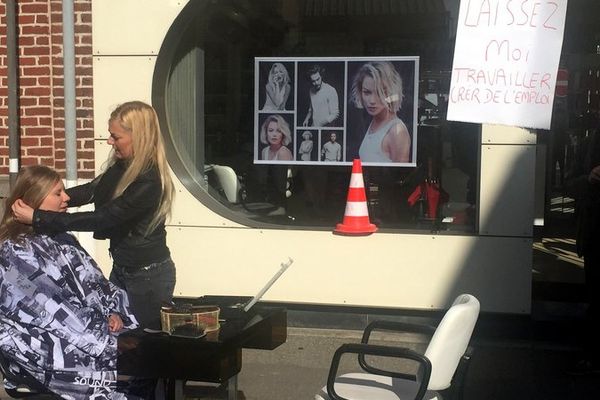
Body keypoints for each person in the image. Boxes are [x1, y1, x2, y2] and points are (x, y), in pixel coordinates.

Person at [12, 101, 176, 330]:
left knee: (143, 343)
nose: (109, 141)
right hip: (123, 269)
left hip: (147, 278)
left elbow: (103, 218)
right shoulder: (123, 166)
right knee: (121, 337)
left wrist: (39, 217)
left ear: (138, 136)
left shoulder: (148, 181)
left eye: (115, 137)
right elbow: (91, 190)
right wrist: (50, 197)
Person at [0, 165, 142, 399]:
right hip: (47, 357)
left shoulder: (62, 238)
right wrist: (107, 339)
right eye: (58, 193)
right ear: (34, 199)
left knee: (152, 371)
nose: (67, 198)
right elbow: (49, 309)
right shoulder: (13, 254)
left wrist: (115, 312)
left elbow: (97, 285)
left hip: (93, 338)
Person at [565, 127, 600, 375]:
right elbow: (569, 185)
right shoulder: (590, 142)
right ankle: (591, 356)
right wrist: (588, 178)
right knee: (595, 300)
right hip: (595, 236)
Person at [350, 61, 411, 163]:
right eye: (367, 92)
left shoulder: (397, 131)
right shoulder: (373, 122)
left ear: (391, 92)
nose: (372, 101)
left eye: (379, 92)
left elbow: (401, 175)